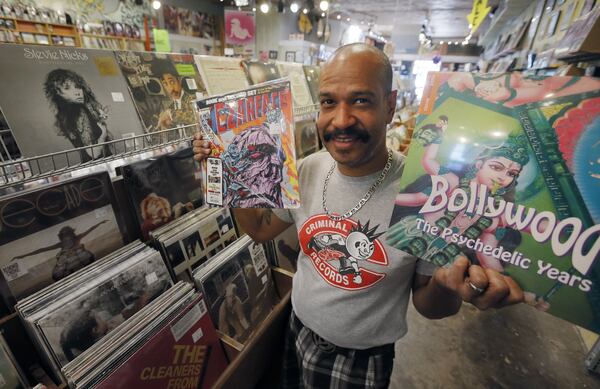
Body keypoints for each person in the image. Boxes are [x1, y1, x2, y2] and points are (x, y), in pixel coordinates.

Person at [193, 43, 523, 388]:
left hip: (361, 360)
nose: (341, 120)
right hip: (297, 330)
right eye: (329, 102)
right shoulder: (307, 169)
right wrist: (229, 174)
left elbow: (431, 306)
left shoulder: (428, 195)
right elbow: (261, 229)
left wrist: (447, 283)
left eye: (361, 100)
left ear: (390, 106)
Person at [44, 69, 113, 162]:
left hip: (93, 166)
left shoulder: (65, 114)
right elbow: (94, 153)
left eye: (77, 86)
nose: (77, 92)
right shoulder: (78, 113)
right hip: (100, 164)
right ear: (58, 92)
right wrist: (103, 135)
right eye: (67, 88)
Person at [11, 220, 109, 281]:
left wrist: (99, 223)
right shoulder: (61, 244)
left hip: (82, 261)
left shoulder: (77, 238)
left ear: (71, 234)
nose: (67, 238)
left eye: (68, 235)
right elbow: (41, 250)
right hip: (70, 266)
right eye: (65, 236)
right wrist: (22, 256)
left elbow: (90, 229)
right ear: (62, 237)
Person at [150, 59, 196, 132]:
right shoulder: (170, 107)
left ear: (179, 80)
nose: (171, 88)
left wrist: (170, 113)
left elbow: (192, 115)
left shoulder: (192, 97)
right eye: (165, 84)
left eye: (172, 82)